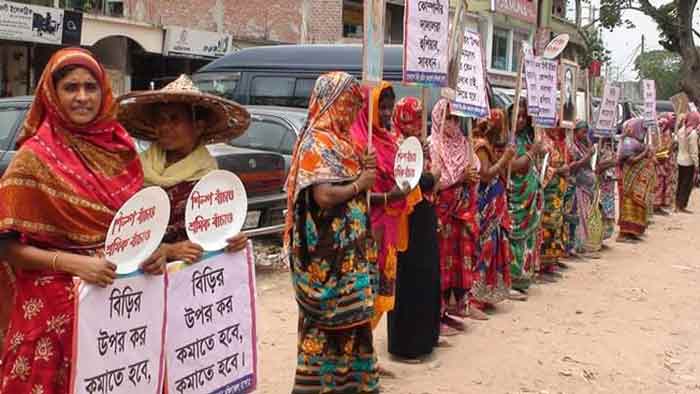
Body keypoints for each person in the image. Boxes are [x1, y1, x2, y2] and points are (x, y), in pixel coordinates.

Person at [0, 48, 163, 394]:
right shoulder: (33, 158)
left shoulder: (121, 150)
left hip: (119, 310)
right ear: (52, 94)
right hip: (53, 313)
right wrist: (72, 263)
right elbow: (7, 247)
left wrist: (150, 253)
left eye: (91, 87)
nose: (82, 97)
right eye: (71, 88)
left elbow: (134, 227)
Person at [285, 72, 379, 394]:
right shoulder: (317, 142)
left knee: (354, 329)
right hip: (327, 261)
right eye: (350, 103)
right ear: (335, 103)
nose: (354, 111)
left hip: (350, 261)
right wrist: (358, 184)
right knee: (325, 332)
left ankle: (353, 386)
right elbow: (324, 195)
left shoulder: (345, 142)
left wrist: (365, 164)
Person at [116, 74, 249, 262]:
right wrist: (169, 250)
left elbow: (217, 234)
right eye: (160, 120)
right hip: (144, 275)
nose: (165, 127)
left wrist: (233, 240)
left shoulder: (213, 181)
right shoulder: (135, 170)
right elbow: (123, 234)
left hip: (189, 279)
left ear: (198, 126)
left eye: (174, 119)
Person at [349, 82, 412, 329]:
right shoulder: (357, 143)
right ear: (368, 108)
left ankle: (368, 353)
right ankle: (360, 355)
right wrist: (388, 198)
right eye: (381, 108)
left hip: (389, 226)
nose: (387, 113)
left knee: (380, 291)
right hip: (367, 226)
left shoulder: (390, 138)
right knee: (364, 289)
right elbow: (356, 191)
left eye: (389, 107)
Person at [387, 96, 442, 361]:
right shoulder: (396, 144)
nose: (420, 123)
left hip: (425, 214)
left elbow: (433, 179)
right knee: (409, 278)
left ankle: (428, 336)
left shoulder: (423, 146)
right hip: (405, 217)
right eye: (416, 117)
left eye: (423, 118)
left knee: (428, 275)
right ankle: (406, 344)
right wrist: (431, 176)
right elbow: (415, 180)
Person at [431, 98, 484, 328]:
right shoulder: (432, 145)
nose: (452, 123)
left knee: (461, 261)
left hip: (463, 213)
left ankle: (457, 306)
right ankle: (438, 312)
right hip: (442, 214)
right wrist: (459, 178)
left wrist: (471, 176)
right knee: (442, 262)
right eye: (447, 118)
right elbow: (435, 181)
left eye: (455, 119)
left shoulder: (466, 143)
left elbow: (477, 170)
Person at [472, 109, 519, 305]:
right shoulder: (481, 145)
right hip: (486, 205)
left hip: (496, 205)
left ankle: (490, 291)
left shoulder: (491, 145)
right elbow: (486, 174)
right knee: (485, 247)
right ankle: (477, 294)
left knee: (495, 246)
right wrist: (505, 159)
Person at [508, 99, 544, 294]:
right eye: (517, 116)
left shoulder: (528, 137)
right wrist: (532, 153)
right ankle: (512, 279)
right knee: (514, 238)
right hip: (515, 198)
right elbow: (513, 166)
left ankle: (523, 277)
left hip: (530, 198)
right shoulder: (508, 139)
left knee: (528, 239)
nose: (520, 120)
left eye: (524, 117)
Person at [617, 118, 655, 243]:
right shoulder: (628, 142)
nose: (643, 132)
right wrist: (645, 153)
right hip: (630, 181)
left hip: (637, 184)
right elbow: (631, 160)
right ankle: (624, 233)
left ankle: (633, 231)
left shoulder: (636, 142)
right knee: (628, 204)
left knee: (636, 205)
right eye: (642, 129)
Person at [569, 121, 603, 256]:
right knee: (579, 217)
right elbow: (574, 166)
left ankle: (584, 244)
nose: (585, 135)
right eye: (582, 132)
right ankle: (578, 246)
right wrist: (588, 155)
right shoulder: (572, 147)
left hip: (587, 187)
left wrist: (589, 145)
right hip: (579, 186)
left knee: (586, 217)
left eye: (586, 132)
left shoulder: (583, 145)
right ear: (575, 132)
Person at [539, 127, 569, 278]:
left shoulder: (557, 142)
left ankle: (552, 261)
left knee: (556, 227)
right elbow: (542, 168)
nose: (556, 129)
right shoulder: (542, 142)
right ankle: (543, 263)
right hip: (547, 194)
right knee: (546, 227)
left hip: (557, 196)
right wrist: (558, 171)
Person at [654, 114, 677, 215]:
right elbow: (664, 149)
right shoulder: (659, 135)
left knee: (662, 183)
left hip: (664, 162)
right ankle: (656, 205)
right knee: (659, 183)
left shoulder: (664, 133)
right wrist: (671, 146)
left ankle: (660, 205)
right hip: (661, 161)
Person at [676, 112, 699, 213]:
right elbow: (693, 151)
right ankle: (682, 205)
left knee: (680, 183)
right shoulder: (692, 134)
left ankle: (677, 204)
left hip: (680, 159)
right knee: (686, 185)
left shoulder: (681, 130)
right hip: (688, 162)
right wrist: (697, 164)